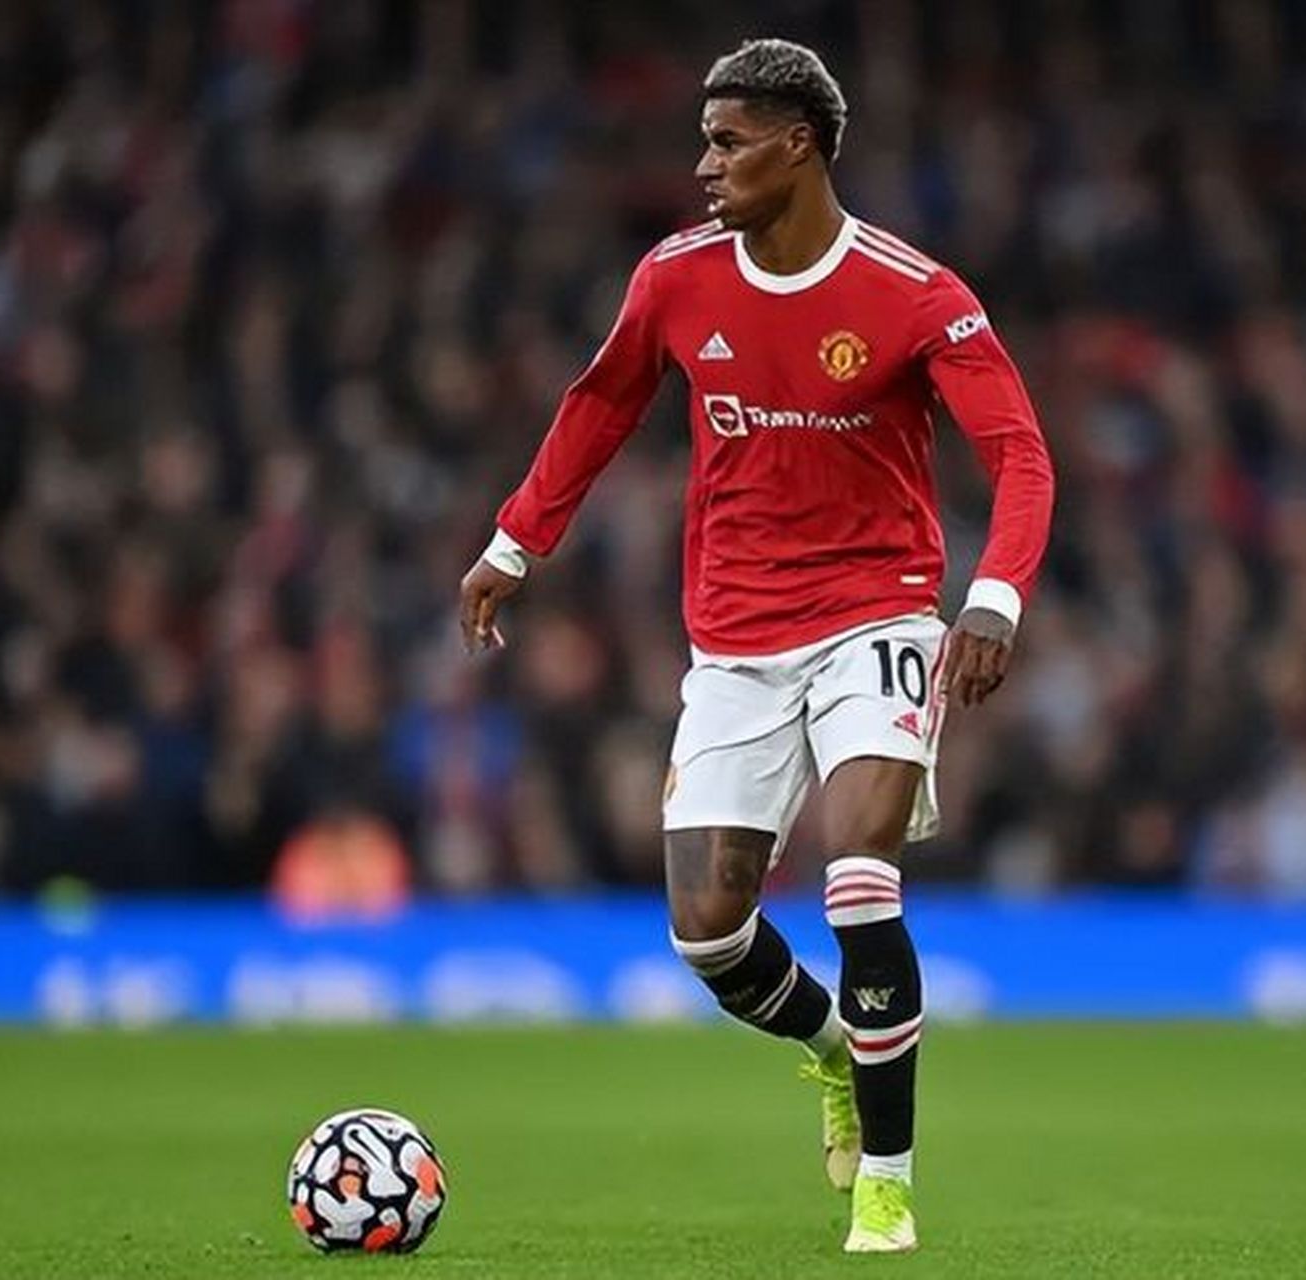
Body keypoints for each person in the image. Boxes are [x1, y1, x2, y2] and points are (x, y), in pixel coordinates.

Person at [460, 38, 1054, 1254]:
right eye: (704, 141)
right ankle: (836, 1049)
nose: (703, 165)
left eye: (726, 142)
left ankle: (886, 1182)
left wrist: (992, 597)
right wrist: (516, 540)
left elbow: (1020, 455)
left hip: (878, 615)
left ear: (799, 144)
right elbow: (601, 402)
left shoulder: (915, 293)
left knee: (858, 872)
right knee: (708, 930)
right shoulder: (675, 277)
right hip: (732, 640)